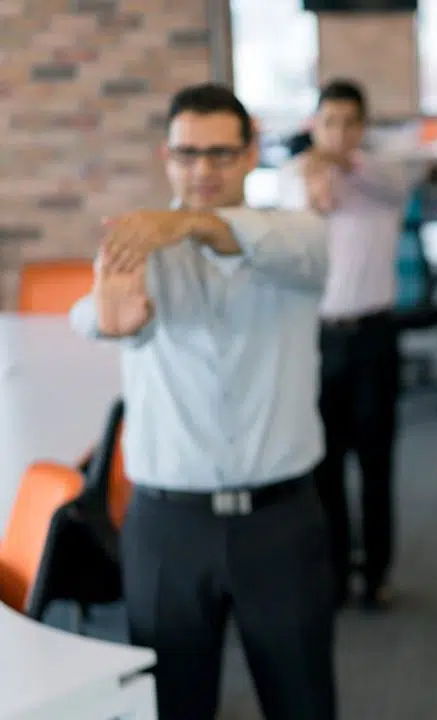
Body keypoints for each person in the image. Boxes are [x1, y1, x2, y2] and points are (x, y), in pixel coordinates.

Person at [68, 83, 335, 720]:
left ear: (249, 156)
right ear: (167, 157)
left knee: (302, 702)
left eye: (220, 154)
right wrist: (116, 321)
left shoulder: (297, 237)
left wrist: (183, 222)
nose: (203, 170)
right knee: (171, 707)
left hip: (280, 523)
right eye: (188, 155)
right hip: (167, 526)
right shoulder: (139, 250)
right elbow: (90, 313)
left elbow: (276, 246)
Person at [278, 78, 427, 610]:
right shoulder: (292, 180)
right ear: (314, 127)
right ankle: (335, 573)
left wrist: (340, 165)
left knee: (376, 461)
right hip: (318, 339)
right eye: (328, 123)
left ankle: (376, 575)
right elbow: (300, 203)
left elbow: (389, 183)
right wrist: (313, 173)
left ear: (362, 129)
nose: (338, 134)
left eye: (348, 123)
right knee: (325, 467)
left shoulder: (383, 177)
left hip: (373, 336)